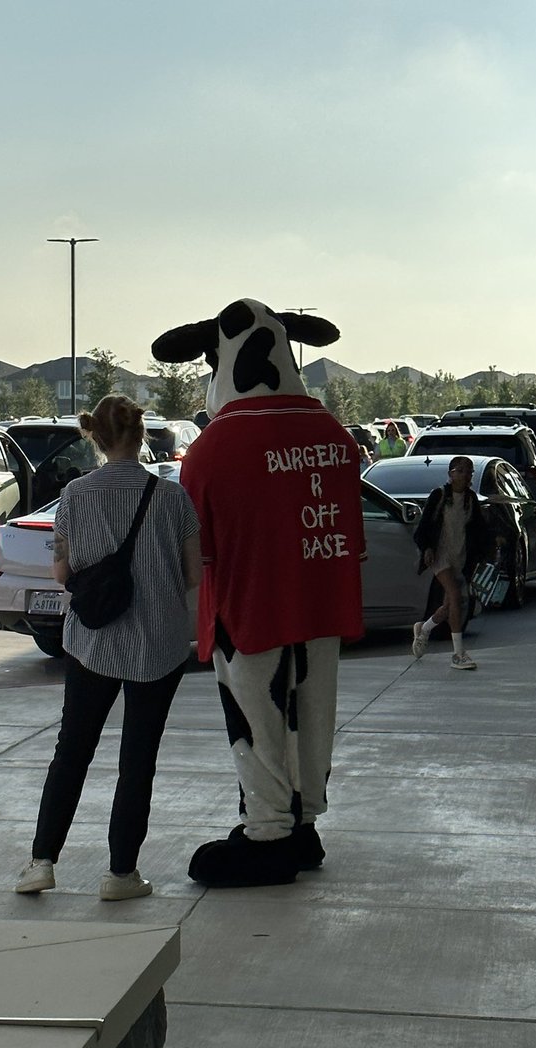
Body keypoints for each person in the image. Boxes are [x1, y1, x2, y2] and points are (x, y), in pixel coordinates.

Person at [151, 298, 366, 888]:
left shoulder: (214, 450)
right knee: (313, 710)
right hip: (321, 601)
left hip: (246, 610)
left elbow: (197, 556)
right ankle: (304, 821)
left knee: (256, 715)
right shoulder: (333, 436)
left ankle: (268, 830)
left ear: (217, 358)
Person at [15, 393, 202, 900]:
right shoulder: (171, 498)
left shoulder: (75, 495)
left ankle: (41, 863)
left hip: (91, 642)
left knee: (72, 752)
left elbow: (62, 571)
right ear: (142, 436)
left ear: (94, 437)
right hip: (157, 646)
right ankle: (121, 874)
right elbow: (191, 574)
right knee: (137, 759)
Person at [411, 455, 489, 670]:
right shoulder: (439, 495)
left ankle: (424, 629)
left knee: (448, 606)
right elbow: (424, 527)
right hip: (440, 556)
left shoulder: (470, 499)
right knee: (455, 596)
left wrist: (490, 546)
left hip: (460, 556)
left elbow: (479, 529)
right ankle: (458, 654)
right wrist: (427, 547)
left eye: (469, 472)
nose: (466, 476)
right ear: (451, 474)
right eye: (461, 471)